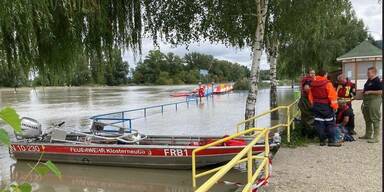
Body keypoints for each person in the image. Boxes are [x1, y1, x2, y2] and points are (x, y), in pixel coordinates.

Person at [308, 69, 340, 147]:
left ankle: (322, 141)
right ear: (325, 74)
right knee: (330, 123)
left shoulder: (312, 84)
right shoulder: (327, 84)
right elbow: (332, 96)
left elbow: (310, 96)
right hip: (326, 106)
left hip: (316, 106)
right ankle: (331, 141)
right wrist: (335, 106)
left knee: (319, 123)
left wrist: (313, 104)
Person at [359, 67, 383, 143]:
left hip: (374, 100)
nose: (367, 74)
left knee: (374, 117)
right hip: (366, 100)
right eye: (367, 73)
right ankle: (368, 134)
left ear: (374, 73)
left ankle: (376, 137)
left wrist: (369, 92)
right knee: (367, 118)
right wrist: (364, 91)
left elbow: (380, 92)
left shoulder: (377, 80)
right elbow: (367, 88)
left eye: (369, 73)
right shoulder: (369, 80)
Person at [298, 69, 316, 138]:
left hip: (304, 100)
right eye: (311, 73)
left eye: (314, 73)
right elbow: (306, 88)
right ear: (308, 74)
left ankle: (303, 134)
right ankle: (310, 135)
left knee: (304, 117)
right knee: (309, 117)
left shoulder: (306, 80)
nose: (313, 74)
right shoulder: (308, 80)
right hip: (306, 100)